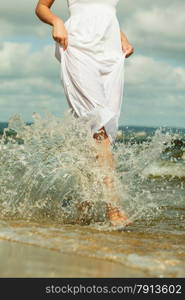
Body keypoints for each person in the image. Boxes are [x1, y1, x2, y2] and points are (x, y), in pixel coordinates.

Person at [35, 0, 134, 227]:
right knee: (99, 130)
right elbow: (41, 6)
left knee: (101, 132)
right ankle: (114, 209)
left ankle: (83, 210)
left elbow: (104, 11)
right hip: (77, 45)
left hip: (109, 50)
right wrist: (57, 22)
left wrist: (121, 36)